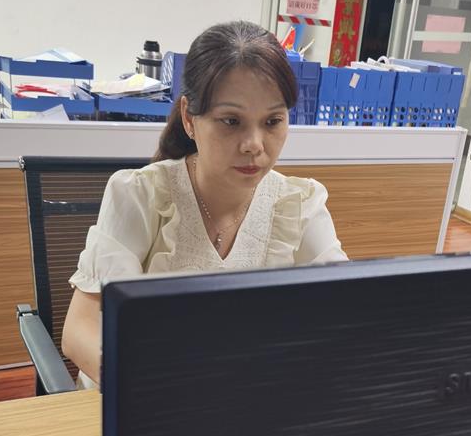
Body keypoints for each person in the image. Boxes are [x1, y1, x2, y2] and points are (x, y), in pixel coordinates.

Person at [62, 20, 348, 388]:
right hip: (136, 396)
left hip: (242, 399)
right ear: (189, 118)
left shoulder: (299, 203)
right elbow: (81, 328)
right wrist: (147, 385)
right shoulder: (141, 194)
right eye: (231, 121)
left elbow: (345, 309)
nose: (254, 144)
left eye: (273, 121)